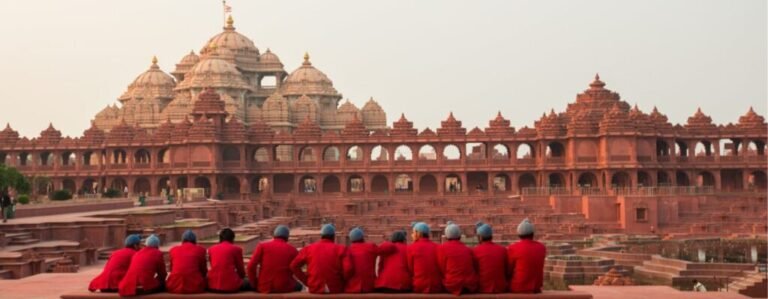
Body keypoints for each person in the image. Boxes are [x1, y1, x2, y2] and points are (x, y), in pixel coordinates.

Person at [290, 224, 346, 294]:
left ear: (321, 236)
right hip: (335, 288)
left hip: (315, 287)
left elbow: (294, 265)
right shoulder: (341, 249)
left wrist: (306, 281)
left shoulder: (309, 249)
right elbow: (348, 269)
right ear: (334, 237)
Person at [247, 225, 301, 293]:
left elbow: (250, 267)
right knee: (299, 286)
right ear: (287, 238)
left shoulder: (262, 246)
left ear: (274, 235)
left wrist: (254, 283)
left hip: (264, 287)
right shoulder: (293, 250)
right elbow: (297, 268)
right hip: (285, 287)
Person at [437, 222, 478, 295]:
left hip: (451, 284)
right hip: (469, 284)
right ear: (459, 236)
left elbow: (442, 268)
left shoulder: (442, 249)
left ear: (446, 236)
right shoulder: (467, 249)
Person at [507, 218, 546, 293]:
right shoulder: (541, 247)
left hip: (517, 287)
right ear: (533, 234)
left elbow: (509, 270)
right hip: (536, 287)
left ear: (519, 234)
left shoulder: (513, 248)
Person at [407, 222, 444, 293]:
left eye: (413, 232)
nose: (412, 235)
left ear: (418, 234)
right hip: (436, 285)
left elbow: (410, 269)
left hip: (419, 285)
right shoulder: (437, 247)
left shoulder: (411, 248)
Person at [207, 228, 247, 293]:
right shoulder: (236, 249)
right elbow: (241, 270)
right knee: (251, 283)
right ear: (232, 238)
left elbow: (214, 266)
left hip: (213, 285)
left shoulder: (211, 249)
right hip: (231, 286)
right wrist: (241, 277)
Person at [472, 222, 508, 293]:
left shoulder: (475, 251)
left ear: (480, 237)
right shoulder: (502, 250)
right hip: (500, 288)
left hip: (482, 288)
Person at [343, 227, 378, 293]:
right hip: (369, 286)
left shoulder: (348, 250)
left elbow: (347, 270)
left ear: (351, 239)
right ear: (363, 238)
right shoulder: (371, 247)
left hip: (352, 287)